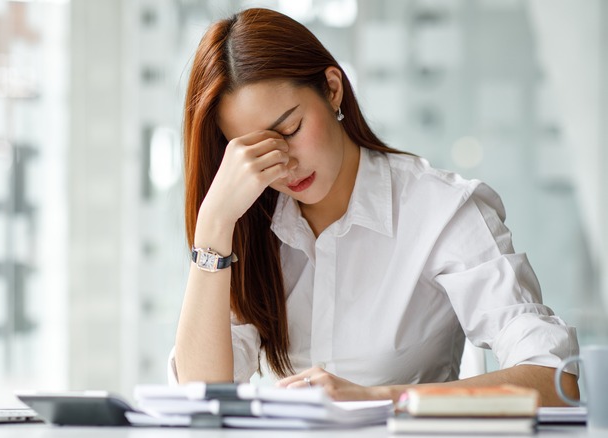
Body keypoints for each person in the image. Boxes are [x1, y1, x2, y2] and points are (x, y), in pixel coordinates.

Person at [171, 7, 579, 406]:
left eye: (290, 130)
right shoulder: (248, 227)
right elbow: (200, 398)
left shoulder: (438, 209)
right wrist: (213, 225)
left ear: (333, 89)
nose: (285, 165)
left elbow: (554, 379)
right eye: (256, 154)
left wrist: (378, 398)